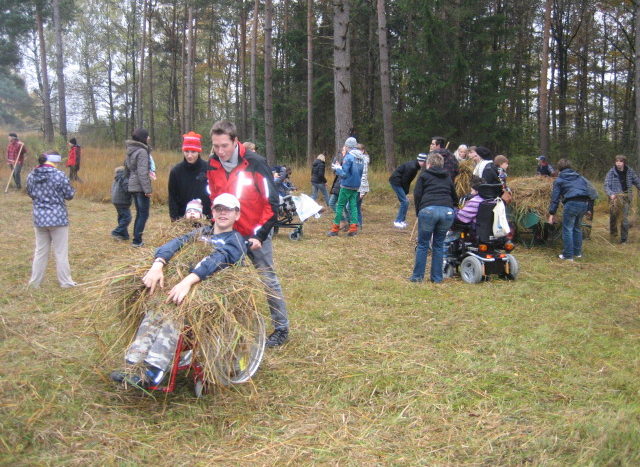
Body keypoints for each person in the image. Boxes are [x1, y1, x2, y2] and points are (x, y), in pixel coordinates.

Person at [109, 193, 247, 388]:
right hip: (182, 283)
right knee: (155, 310)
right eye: (218, 209)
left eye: (228, 210)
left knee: (175, 313)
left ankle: (153, 371)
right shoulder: (202, 233)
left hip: (208, 292)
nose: (223, 213)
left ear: (237, 215)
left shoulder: (236, 240)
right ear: (212, 212)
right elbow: (174, 244)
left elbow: (218, 259)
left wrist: (188, 282)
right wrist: (158, 264)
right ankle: (132, 365)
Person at [206, 120, 289, 347]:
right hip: (229, 236)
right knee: (228, 281)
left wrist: (259, 235)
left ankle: (281, 328)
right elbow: (214, 198)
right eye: (216, 146)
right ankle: (231, 327)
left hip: (255, 234)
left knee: (267, 280)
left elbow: (271, 202)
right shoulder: (212, 164)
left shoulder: (255, 163)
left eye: (224, 145)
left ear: (235, 141)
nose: (220, 151)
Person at [26, 152, 76, 288]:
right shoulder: (59, 175)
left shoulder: (31, 175)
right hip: (58, 218)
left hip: (39, 218)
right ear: (55, 162)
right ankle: (65, 282)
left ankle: (35, 282)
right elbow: (69, 194)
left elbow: (30, 193)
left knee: (40, 251)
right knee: (60, 252)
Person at [409, 152, 458, 283]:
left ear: (428, 164)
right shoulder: (447, 177)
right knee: (438, 244)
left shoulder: (424, 176)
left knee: (423, 244)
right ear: (441, 164)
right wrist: (453, 206)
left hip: (429, 210)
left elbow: (417, 194)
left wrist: (419, 211)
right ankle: (437, 277)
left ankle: (417, 277)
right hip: (446, 211)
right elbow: (454, 195)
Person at [548, 159, 591, 260]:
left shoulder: (559, 180)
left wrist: (551, 213)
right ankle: (577, 253)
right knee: (577, 228)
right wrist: (589, 208)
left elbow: (555, 198)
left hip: (572, 203)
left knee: (568, 229)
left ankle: (568, 255)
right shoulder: (580, 178)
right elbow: (589, 192)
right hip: (583, 203)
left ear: (559, 169)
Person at [168, 131, 212, 221]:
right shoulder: (176, 171)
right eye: (186, 151)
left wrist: (211, 217)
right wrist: (175, 218)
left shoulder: (208, 169)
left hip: (205, 218)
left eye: (193, 152)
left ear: (199, 152)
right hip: (183, 218)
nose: (189, 155)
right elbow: (172, 197)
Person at [326, 137, 365, 237]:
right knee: (353, 207)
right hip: (356, 186)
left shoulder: (348, 157)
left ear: (347, 146)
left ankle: (335, 229)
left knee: (339, 206)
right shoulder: (361, 157)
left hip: (346, 185)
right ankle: (353, 229)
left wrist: (338, 168)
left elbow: (344, 174)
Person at [125, 128, 153, 247]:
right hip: (140, 187)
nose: (149, 138)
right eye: (147, 136)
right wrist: (147, 190)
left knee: (139, 213)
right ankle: (137, 240)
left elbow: (128, 168)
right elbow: (142, 173)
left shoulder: (131, 150)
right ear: (143, 138)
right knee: (143, 214)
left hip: (133, 185)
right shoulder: (141, 151)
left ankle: (136, 238)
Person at [604, 155, 640, 243]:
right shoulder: (611, 172)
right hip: (614, 199)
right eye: (617, 162)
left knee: (624, 219)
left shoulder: (630, 171)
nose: (618, 163)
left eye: (620, 162)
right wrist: (611, 194)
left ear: (624, 162)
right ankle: (613, 236)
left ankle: (624, 239)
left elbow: (637, 182)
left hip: (626, 198)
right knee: (613, 218)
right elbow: (606, 185)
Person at [389, 153, 427, 228]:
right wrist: (405, 191)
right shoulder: (412, 167)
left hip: (400, 182)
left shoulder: (415, 166)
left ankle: (402, 220)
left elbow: (407, 181)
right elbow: (405, 181)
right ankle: (397, 221)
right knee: (405, 202)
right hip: (396, 182)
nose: (425, 164)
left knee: (405, 202)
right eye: (424, 162)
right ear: (421, 161)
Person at [111, 166, 132, 241]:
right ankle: (116, 232)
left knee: (122, 217)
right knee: (127, 218)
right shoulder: (124, 177)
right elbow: (127, 189)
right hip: (122, 200)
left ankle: (124, 235)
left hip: (115, 200)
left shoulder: (116, 178)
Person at [356, 143, 370, 229]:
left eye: (359, 150)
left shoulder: (364, 160)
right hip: (358, 187)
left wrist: (361, 191)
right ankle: (359, 224)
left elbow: (364, 176)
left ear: (363, 150)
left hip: (362, 187)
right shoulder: (359, 160)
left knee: (351, 206)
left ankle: (355, 224)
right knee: (357, 206)